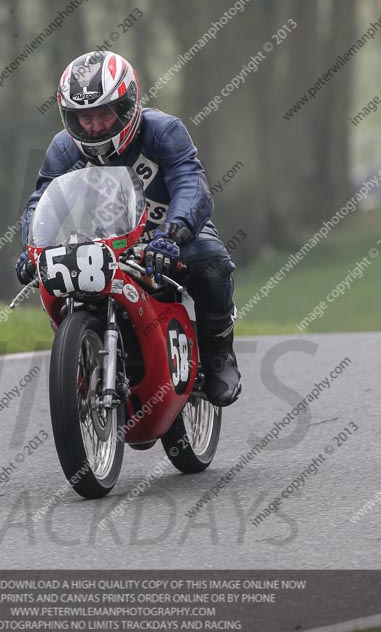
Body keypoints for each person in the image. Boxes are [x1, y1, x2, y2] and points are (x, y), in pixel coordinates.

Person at [16, 51, 241, 406]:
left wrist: (175, 232)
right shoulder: (62, 148)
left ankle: (218, 353)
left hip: (169, 236)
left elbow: (190, 184)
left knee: (212, 262)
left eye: (104, 114)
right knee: (60, 287)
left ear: (128, 105)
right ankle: (81, 364)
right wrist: (32, 248)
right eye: (84, 118)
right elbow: (42, 201)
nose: (94, 127)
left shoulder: (164, 131)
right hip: (101, 243)